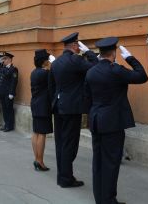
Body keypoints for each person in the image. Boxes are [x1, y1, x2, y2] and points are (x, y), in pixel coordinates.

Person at [85, 37, 148, 204]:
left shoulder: (91, 71)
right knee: (111, 163)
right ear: (113, 53)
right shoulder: (115, 70)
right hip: (112, 123)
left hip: (96, 120)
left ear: (100, 53)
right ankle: (108, 200)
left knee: (98, 161)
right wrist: (130, 58)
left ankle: (100, 198)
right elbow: (142, 76)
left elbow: (87, 97)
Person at [48, 32, 98, 187]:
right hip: (71, 107)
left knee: (60, 143)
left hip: (58, 105)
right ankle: (66, 178)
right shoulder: (76, 60)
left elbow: (51, 86)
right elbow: (96, 67)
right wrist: (89, 52)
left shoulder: (56, 62)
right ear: (75, 46)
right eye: (78, 45)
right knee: (70, 144)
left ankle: (62, 176)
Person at [30, 49, 54, 171]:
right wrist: (53, 65)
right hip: (43, 106)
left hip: (35, 104)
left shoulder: (34, 72)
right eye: (48, 60)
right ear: (44, 62)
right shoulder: (46, 73)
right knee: (42, 134)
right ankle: (40, 161)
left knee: (36, 132)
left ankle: (36, 158)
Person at [0, 52, 18, 132]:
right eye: (3, 59)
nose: (3, 60)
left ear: (9, 59)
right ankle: (6, 124)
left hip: (8, 93)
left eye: (5, 59)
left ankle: (10, 126)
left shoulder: (13, 69)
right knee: (4, 109)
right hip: (2, 92)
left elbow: (14, 81)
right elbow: (0, 80)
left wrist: (11, 93)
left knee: (9, 109)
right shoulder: (3, 68)